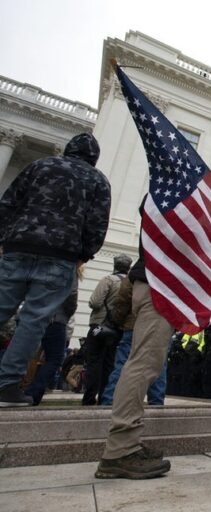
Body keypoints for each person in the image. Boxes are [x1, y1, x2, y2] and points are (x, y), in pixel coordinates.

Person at [0, 132, 111, 407]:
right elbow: (97, 224)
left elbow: (8, 203)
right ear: (94, 158)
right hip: (60, 256)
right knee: (33, 321)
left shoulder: (40, 165)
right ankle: (6, 384)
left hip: (18, 246)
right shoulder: (97, 180)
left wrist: (4, 240)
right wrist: (83, 256)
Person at [95, 197, 172, 479]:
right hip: (159, 283)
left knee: (146, 362)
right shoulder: (171, 193)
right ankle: (121, 449)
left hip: (156, 280)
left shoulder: (164, 193)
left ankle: (127, 443)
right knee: (143, 364)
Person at [101, 276, 167, 407]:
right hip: (161, 326)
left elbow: (122, 301)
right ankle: (156, 403)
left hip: (133, 326)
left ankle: (109, 400)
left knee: (123, 364)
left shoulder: (135, 274)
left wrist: (117, 321)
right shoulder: (167, 272)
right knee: (158, 365)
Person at [25, 267, 82, 405]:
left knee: (30, 356)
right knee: (55, 359)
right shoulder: (69, 269)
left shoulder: (44, 266)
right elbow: (71, 298)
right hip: (55, 319)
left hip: (34, 315)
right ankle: (33, 393)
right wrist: (66, 317)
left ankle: (21, 389)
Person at [82, 254, 132, 405]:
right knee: (110, 364)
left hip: (100, 325)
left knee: (94, 362)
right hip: (118, 328)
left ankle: (89, 397)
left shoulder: (108, 280)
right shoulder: (130, 283)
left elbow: (95, 302)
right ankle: (105, 397)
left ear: (114, 265)